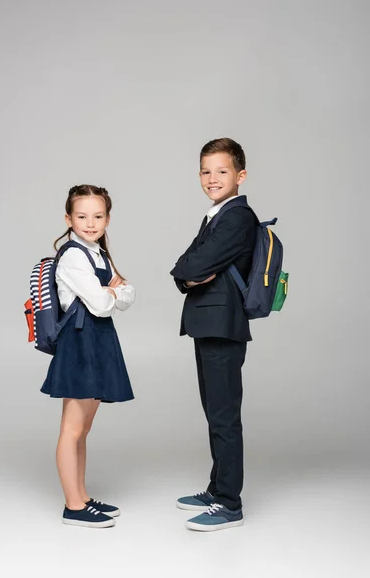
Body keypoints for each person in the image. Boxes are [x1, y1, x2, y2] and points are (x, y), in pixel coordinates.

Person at [170, 138, 256, 532]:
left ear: (240, 175)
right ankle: (216, 488)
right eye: (206, 171)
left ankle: (229, 503)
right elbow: (182, 268)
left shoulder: (237, 216)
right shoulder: (215, 214)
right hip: (209, 323)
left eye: (221, 171)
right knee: (214, 412)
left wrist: (192, 271)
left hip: (223, 326)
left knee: (224, 416)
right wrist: (189, 274)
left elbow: (196, 263)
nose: (212, 178)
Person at [41, 184, 135, 528]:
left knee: (83, 429)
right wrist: (113, 290)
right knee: (72, 428)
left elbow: (127, 295)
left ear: (107, 219)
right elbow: (102, 302)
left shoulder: (98, 253)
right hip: (80, 344)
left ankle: (82, 496)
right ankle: (73, 506)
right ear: (68, 218)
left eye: (97, 216)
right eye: (82, 216)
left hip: (97, 341)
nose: (90, 222)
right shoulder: (73, 256)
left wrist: (114, 291)